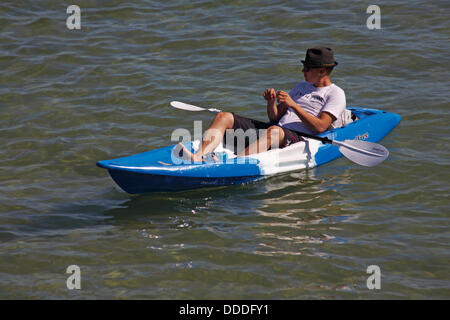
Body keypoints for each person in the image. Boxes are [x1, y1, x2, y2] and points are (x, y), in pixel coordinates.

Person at [175, 46, 346, 162]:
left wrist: (294, 105)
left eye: (307, 68)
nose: (303, 71)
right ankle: (198, 156)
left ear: (322, 71)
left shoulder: (335, 93)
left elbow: (320, 127)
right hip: (275, 131)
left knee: (275, 131)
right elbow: (274, 118)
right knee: (224, 116)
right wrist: (271, 103)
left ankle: (235, 164)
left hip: (300, 138)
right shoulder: (300, 87)